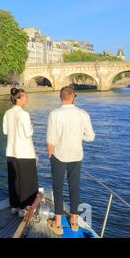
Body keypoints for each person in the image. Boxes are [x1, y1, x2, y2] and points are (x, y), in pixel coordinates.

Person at [46, 86, 95, 236]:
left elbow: (51, 138)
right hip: (76, 155)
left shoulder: (54, 114)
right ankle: (74, 222)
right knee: (74, 188)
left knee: (58, 189)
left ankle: (58, 224)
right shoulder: (83, 114)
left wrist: (50, 155)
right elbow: (91, 137)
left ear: (61, 97)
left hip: (59, 155)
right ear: (73, 96)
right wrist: (80, 137)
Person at [3, 88, 39, 218]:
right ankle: (24, 207)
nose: (27, 98)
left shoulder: (7, 113)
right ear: (18, 98)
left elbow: (5, 131)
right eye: (25, 96)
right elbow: (28, 133)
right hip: (25, 152)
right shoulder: (24, 114)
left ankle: (14, 206)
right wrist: (32, 127)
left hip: (11, 151)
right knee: (27, 181)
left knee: (14, 180)